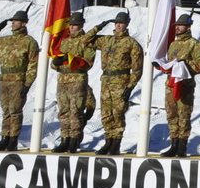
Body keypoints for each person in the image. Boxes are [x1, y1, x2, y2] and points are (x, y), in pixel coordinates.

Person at [92, 11, 143, 155]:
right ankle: (108, 141)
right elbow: (85, 40)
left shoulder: (132, 44)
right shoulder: (106, 40)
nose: (118, 25)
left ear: (127, 24)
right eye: (116, 23)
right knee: (106, 114)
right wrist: (99, 27)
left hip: (121, 82)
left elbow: (137, 69)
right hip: (106, 81)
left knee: (118, 114)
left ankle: (116, 144)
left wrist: (130, 87)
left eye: (121, 23)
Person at [0, 10, 38, 152]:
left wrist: (28, 84)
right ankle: (5, 137)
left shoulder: (29, 42)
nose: (12, 23)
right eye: (12, 21)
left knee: (15, 111)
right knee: (6, 111)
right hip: (4, 79)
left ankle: (13, 140)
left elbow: (33, 64)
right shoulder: (3, 40)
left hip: (18, 80)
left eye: (15, 21)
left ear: (23, 23)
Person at [160, 14, 200, 157]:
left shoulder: (194, 44)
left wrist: (184, 65)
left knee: (183, 116)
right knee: (171, 115)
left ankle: (182, 146)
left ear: (188, 27)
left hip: (185, 86)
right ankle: (173, 144)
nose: (178, 28)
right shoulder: (173, 44)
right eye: (177, 26)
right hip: (171, 85)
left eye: (180, 25)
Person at [51, 13, 98, 153]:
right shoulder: (64, 42)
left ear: (81, 26)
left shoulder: (86, 41)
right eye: (70, 25)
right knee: (64, 111)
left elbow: (88, 63)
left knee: (75, 111)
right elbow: (55, 63)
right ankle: (65, 139)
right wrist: (56, 63)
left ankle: (74, 139)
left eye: (75, 25)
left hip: (77, 79)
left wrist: (73, 59)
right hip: (63, 80)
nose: (72, 27)